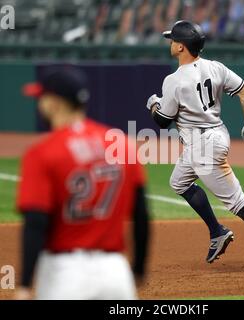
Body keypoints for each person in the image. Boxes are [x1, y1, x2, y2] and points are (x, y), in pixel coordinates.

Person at [146, 20, 244, 275]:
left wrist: (153, 104)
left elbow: (163, 121)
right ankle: (217, 231)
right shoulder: (215, 68)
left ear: (182, 47)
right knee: (179, 182)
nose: (170, 43)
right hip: (217, 135)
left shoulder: (173, 80)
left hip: (202, 147)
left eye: (173, 39)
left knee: (238, 203)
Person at [15, 67, 150, 299]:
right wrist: (138, 268)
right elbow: (141, 214)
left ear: (54, 103)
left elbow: (36, 222)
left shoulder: (42, 152)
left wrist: (25, 284)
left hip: (64, 274)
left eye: (42, 97)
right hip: (116, 273)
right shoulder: (121, 144)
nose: (39, 103)